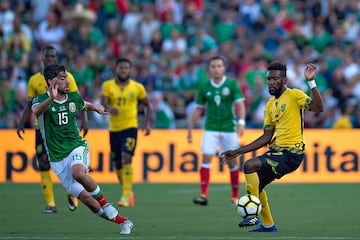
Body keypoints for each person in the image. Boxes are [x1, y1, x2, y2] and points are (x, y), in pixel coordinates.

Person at [221, 62, 324, 232]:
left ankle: (252, 215)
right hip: (277, 152)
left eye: (275, 78)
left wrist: (311, 82)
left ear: (285, 80)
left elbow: (319, 107)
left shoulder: (295, 95)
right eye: (269, 79)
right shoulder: (269, 105)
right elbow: (266, 137)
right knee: (257, 185)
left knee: (250, 165)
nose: (271, 82)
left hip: (292, 153)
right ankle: (268, 225)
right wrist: (237, 152)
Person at [31, 64, 133, 234]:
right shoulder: (40, 99)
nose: (67, 81)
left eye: (67, 77)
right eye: (63, 78)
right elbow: (36, 112)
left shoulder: (73, 98)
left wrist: (97, 108)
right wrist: (51, 97)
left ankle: (108, 205)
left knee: (78, 173)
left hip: (76, 147)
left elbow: (85, 105)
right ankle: (123, 221)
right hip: (57, 159)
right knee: (88, 201)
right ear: (51, 81)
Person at [16, 45, 88, 213]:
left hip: (63, 129)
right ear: (42, 59)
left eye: (53, 57)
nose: (49, 59)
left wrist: (84, 120)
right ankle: (51, 204)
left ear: (56, 59)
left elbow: (78, 99)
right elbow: (30, 104)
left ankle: (72, 192)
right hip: (42, 130)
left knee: (69, 163)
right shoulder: (34, 80)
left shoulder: (67, 76)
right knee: (42, 163)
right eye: (47, 57)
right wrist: (21, 122)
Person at [187, 56, 246, 206]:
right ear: (209, 69)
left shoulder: (232, 84)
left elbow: (240, 105)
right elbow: (198, 109)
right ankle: (203, 195)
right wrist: (190, 128)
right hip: (211, 128)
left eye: (219, 66)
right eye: (213, 66)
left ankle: (234, 197)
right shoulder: (204, 86)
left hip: (228, 128)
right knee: (206, 158)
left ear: (224, 68)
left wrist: (241, 122)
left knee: (232, 161)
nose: (216, 69)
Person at [101, 57, 152, 207]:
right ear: (116, 69)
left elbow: (148, 105)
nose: (123, 70)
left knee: (126, 157)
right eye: (121, 68)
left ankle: (125, 195)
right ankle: (128, 192)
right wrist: (110, 110)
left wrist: (147, 123)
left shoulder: (137, 87)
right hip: (114, 129)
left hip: (130, 127)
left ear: (130, 70)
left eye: (126, 68)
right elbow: (102, 106)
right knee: (117, 163)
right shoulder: (108, 86)